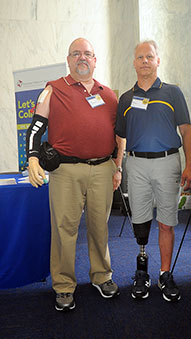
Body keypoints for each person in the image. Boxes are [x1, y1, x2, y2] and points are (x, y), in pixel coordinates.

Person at [26, 38, 124, 311]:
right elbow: (36, 126)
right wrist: (32, 156)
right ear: (68, 60)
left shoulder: (108, 95)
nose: (83, 58)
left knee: (99, 227)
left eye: (88, 54)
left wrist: (117, 165)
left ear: (95, 60)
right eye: (76, 54)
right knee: (64, 229)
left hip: (103, 169)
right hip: (65, 172)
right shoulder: (53, 89)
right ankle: (64, 286)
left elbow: (119, 136)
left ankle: (102, 276)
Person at [115, 40, 191, 302]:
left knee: (167, 221)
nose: (145, 61)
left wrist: (190, 165)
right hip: (135, 164)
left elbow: (186, 131)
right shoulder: (126, 99)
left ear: (158, 61)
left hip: (167, 162)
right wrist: (118, 167)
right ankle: (141, 272)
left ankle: (164, 273)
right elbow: (120, 137)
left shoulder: (173, 93)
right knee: (139, 221)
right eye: (140, 57)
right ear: (134, 63)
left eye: (150, 56)